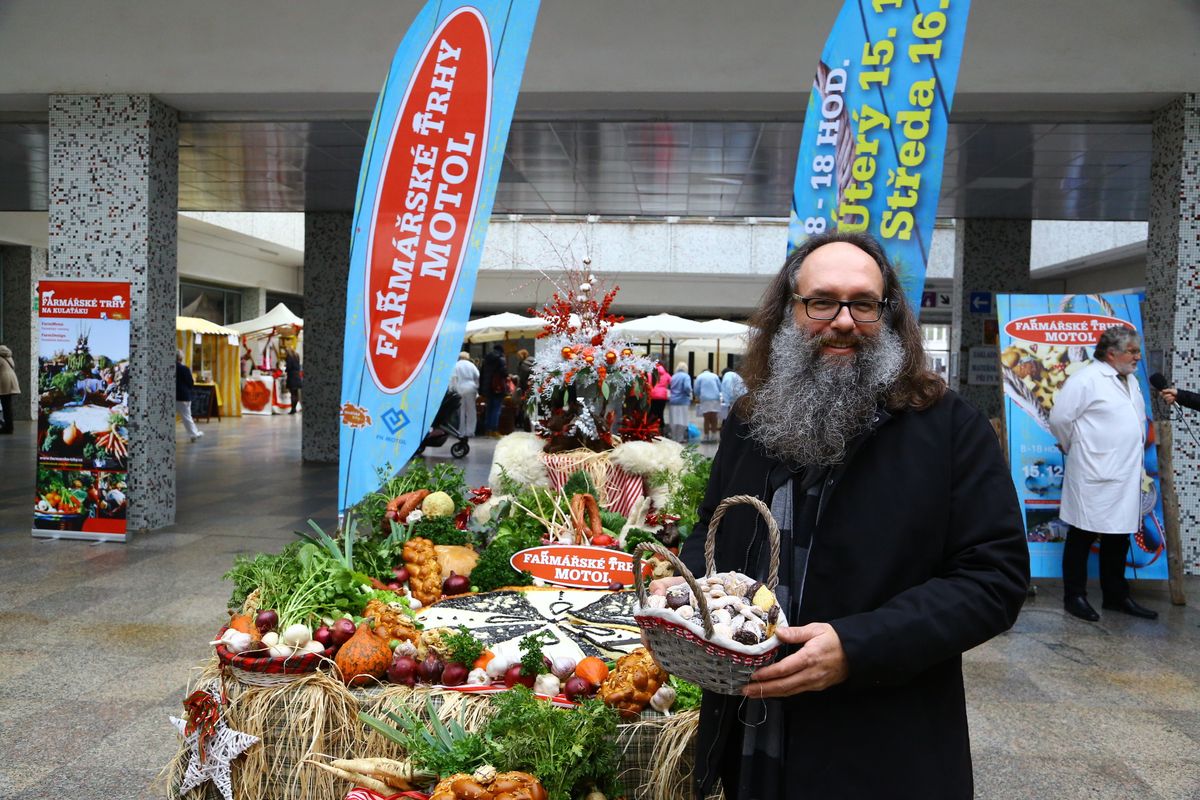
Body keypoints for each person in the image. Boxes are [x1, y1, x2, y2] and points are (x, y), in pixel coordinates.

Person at [646, 231, 1029, 800]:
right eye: (821, 301)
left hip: (880, 744)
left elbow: (994, 580)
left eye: (864, 303)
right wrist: (689, 583)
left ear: (888, 314)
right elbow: (714, 528)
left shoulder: (950, 430)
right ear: (788, 313)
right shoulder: (752, 420)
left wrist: (858, 646)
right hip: (748, 737)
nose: (843, 320)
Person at [1048, 326, 1157, 621]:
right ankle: (1075, 596)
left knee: (1119, 537)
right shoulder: (1087, 379)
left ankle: (1116, 596)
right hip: (1093, 470)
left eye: (1137, 350)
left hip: (1126, 473)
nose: (1138, 356)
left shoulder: (1131, 380)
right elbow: (1059, 419)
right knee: (1083, 533)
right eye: (1132, 351)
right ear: (1111, 354)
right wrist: (1076, 446)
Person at [480, 343, 509, 437]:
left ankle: (487, 430)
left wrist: (482, 389)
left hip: (488, 388)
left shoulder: (487, 359)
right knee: (496, 409)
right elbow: (504, 373)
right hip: (498, 388)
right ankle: (494, 430)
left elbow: (482, 374)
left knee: (489, 409)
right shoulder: (500, 358)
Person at [450, 351, 480, 437]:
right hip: (471, 388)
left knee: (461, 411)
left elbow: (453, 378)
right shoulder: (472, 365)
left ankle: (461, 431)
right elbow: (477, 376)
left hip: (460, 388)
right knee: (471, 410)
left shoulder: (456, 365)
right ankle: (470, 431)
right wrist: (476, 387)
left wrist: (454, 389)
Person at [176, 350, 203, 442]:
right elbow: (190, 383)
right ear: (181, 358)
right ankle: (193, 434)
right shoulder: (184, 369)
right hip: (183, 396)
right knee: (187, 416)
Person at [692, 366, 722, 442]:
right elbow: (720, 387)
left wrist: (698, 396)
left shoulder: (700, 376)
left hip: (705, 399)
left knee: (707, 418)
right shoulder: (715, 376)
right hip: (715, 398)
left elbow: (696, 389)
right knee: (714, 418)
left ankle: (706, 436)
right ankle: (714, 436)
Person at [665, 362, 692, 442]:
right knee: (682, 420)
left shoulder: (673, 376)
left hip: (673, 401)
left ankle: (674, 437)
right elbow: (687, 387)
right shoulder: (686, 376)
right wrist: (688, 393)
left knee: (673, 420)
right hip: (683, 401)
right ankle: (680, 438)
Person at [515, 348, 536, 431]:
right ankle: (531, 424)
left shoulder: (524, 364)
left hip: (526, 388)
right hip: (534, 387)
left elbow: (523, 378)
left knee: (526, 407)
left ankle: (527, 426)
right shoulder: (533, 361)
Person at [0, 344, 18, 434]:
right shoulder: (7, 355)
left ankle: (8, 427)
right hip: (10, 381)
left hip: (3, 381)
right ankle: (8, 426)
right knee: (7, 405)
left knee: (6, 406)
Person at [648, 356, 670, 429]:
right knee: (660, 413)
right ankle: (661, 428)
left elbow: (648, 382)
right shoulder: (666, 374)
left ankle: (651, 427)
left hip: (653, 395)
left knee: (652, 412)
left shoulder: (651, 374)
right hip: (662, 397)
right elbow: (672, 382)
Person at [284, 347, 303, 414]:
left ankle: (293, 409)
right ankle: (294, 408)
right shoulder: (297, 356)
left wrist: (285, 369)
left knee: (292, 394)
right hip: (297, 376)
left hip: (291, 376)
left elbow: (289, 367)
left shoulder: (289, 356)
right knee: (296, 393)